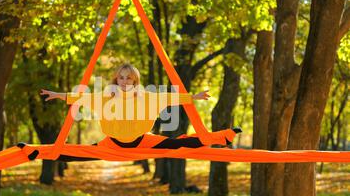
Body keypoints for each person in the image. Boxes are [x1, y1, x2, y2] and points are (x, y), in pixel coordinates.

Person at [40, 63, 241, 161]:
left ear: (135, 81)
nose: (125, 81)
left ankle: (223, 137)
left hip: (142, 140)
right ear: (116, 80)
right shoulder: (106, 97)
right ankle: (37, 151)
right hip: (112, 143)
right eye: (121, 78)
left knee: (179, 144)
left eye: (129, 78)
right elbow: (82, 97)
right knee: (78, 154)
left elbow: (170, 97)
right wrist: (58, 95)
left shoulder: (146, 97)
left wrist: (193, 97)